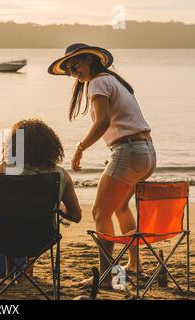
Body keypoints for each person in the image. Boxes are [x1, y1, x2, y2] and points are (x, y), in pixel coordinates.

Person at [48, 43, 156, 287]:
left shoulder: (97, 82)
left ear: (89, 59)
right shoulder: (112, 80)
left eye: (74, 65)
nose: (72, 71)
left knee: (99, 212)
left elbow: (103, 122)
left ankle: (109, 277)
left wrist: (80, 148)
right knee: (120, 208)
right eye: (68, 70)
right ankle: (134, 265)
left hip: (128, 150)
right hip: (146, 152)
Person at [0, 119, 82, 278]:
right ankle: (26, 267)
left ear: (14, 147)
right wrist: (60, 209)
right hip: (42, 239)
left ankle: (9, 271)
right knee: (29, 218)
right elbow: (76, 216)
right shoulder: (61, 175)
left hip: (5, 238)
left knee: (11, 216)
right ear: (51, 146)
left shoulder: (5, 169)